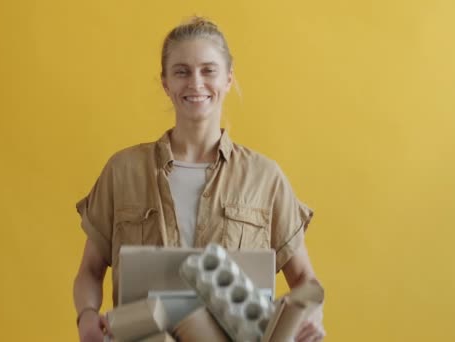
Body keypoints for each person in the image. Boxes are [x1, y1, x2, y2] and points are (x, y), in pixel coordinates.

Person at [73, 17, 325, 342]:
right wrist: (87, 317)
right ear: (165, 82)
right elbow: (90, 273)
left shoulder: (265, 177)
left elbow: (305, 279)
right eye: (181, 71)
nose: (195, 83)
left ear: (229, 78)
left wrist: (311, 317)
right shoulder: (123, 171)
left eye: (208, 70)